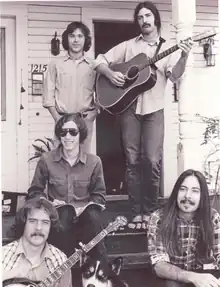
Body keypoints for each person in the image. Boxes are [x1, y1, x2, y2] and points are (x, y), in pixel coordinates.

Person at [94, 1, 193, 230]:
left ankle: (150, 211)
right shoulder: (129, 46)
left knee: (152, 161)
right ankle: (135, 212)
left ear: (156, 19)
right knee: (132, 162)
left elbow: (175, 75)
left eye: (148, 15)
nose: (144, 20)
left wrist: (185, 57)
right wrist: (110, 74)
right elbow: (99, 60)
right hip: (130, 109)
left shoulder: (167, 48)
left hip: (154, 110)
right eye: (140, 17)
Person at [27, 113, 107, 263]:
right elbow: (34, 192)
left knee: (94, 216)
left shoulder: (94, 162)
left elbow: (99, 197)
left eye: (73, 132)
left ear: (80, 134)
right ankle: (63, 269)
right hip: (60, 219)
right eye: (63, 132)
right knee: (64, 213)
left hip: (86, 219)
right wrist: (48, 204)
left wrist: (86, 207)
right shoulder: (47, 160)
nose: (67, 137)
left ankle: (101, 269)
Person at [147, 169, 220, 287]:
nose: (187, 196)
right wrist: (193, 277)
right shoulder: (159, 218)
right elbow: (159, 266)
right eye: (183, 189)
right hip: (171, 278)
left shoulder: (212, 217)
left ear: (203, 196)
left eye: (195, 191)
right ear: (176, 192)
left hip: (202, 273)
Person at [43, 21, 97, 152]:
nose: (76, 40)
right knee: (61, 163)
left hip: (85, 121)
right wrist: (58, 119)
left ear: (86, 40)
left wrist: (93, 114)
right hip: (62, 119)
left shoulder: (94, 66)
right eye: (72, 36)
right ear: (67, 39)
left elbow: (102, 95)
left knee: (82, 161)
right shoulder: (55, 64)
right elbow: (47, 97)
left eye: (80, 36)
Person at [2, 197, 72, 287]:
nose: (39, 227)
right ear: (23, 223)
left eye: (45, 222)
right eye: (32, 221)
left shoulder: (60, 260)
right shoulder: (4, 255)